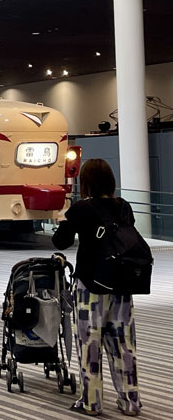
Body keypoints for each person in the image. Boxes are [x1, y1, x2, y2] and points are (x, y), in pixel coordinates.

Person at [52, 159, 142, 417]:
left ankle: (92, 402)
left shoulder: (82, 208)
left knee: (90, 344)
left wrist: (64, 217)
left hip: (91, 285)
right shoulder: (124, 206)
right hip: (123, 285)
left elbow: (61, 241)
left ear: (87, 182)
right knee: (124, 345)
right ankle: (130, 401)